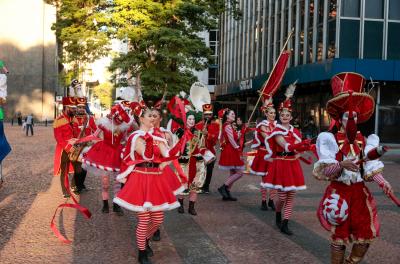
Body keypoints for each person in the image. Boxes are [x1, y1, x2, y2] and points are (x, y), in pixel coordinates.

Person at [312, 72, 394, 264]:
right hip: (339, 192)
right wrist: (340, 165)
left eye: (355, 116)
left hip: (359, 194)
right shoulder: (329, 140)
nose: (352, 119)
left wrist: (383, 182)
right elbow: (326, 172)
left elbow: (367, 169)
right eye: (348, 116)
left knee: (365, 236)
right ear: (340, 118)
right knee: (339, 238)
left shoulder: (365, 141)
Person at [113, 102, 182, 264]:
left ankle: (144, 240)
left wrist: (179, 143)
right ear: (141, 118)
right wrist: (155, 142)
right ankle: (141, 252)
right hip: (141, 178)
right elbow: (145, 154)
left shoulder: (159, 137)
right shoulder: (135, 136)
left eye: (154, 115)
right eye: (149, 115)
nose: (153, 118)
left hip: (156, 178)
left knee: (157, 219)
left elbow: (167, 157)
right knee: (144, 219)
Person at [262, 85, 310, 235]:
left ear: (290, 116)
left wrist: (302, 149)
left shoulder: (295, 131)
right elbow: (286, 146)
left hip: (292, 165)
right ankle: (278, 213)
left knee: (291, 195)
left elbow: (296, 149)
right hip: (281, 164)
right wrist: (299, 145)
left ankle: (285, 223)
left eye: (287, 115)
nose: (284, 117)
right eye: (282, 115)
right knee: (282, 197)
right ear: (279, 116)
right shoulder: (276, 131)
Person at [82, 103, 131, 216]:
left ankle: (116, 205)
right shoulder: (104, 125)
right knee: (105, 183)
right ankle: (105, 204)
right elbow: (94, 136)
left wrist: (131, 144)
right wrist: (91, 143)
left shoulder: (123, 128)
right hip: (105, 153)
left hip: (117, 154)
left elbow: (125, 139)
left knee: (118, 181)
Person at [175, 111, 206, 215]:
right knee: (182, 185)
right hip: (183, 163)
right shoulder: (179, 132)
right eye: (189, 119)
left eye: (193, 119)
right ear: (185, 120)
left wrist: (201, 154)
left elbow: (202, 147)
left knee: (195, 185)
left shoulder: (199, 133)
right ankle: (180, 205)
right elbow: (174, 147)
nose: (192, 121)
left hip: (197, 162)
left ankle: (191, 207)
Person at [250, 97, 277, 211]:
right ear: (266, 113)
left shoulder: (276, 125)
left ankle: (271, 200)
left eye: (274, 113)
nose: (273, 115)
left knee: (275, 179)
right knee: (265, 179)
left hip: (274, 154)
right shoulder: (262, 125)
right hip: (264, 154)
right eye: (271, 113)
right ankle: (263, 201)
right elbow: (269, 139)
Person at [53, 97, 79, 198]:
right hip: (63, 150)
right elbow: (58, 138)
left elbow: (76, 134)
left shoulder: (75, 119)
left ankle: (73, 184)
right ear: (66, 108)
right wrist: (68, 148)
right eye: (72, 108)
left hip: (75, 149)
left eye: (75, 108)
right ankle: (64, 190)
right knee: (64, 171)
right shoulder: (58, 120)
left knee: (78, 169)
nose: (74, 110)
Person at [217, 108, 245, 201]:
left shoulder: (229, 126)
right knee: (240, 172)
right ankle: (224, 187)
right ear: (227, 116)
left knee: (233, 172)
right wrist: (237, 149)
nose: (234, 115)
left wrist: (240, 133)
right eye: (232, 114)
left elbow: (234, 138)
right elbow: (231, 140)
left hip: (232, 149)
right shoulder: (227, 126)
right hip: (231, 150)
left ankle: (227, 193)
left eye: (234, 114)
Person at [73, 97, 97, 193]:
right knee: (78, 167)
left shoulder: (89, 118)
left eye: (83, 107)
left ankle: (81, 185)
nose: (81, 109)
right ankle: (77, 186)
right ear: (76, 108)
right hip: (77, 146)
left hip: (87, 146)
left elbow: (95, 130)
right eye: (79, 107)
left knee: (85, 167)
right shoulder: (73, 118)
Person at [197, 104, 219, 194]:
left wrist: (208, 134)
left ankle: (206, 186)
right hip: (199, 151)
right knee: (199, 169)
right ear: (203, 114)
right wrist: (200, 134)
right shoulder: (198, 125)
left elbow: (215, 139)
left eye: (209, 114)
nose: (207, 116)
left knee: (209, 170)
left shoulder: (215, 125)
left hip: (210, 151)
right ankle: (199, 185)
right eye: (206, 114)